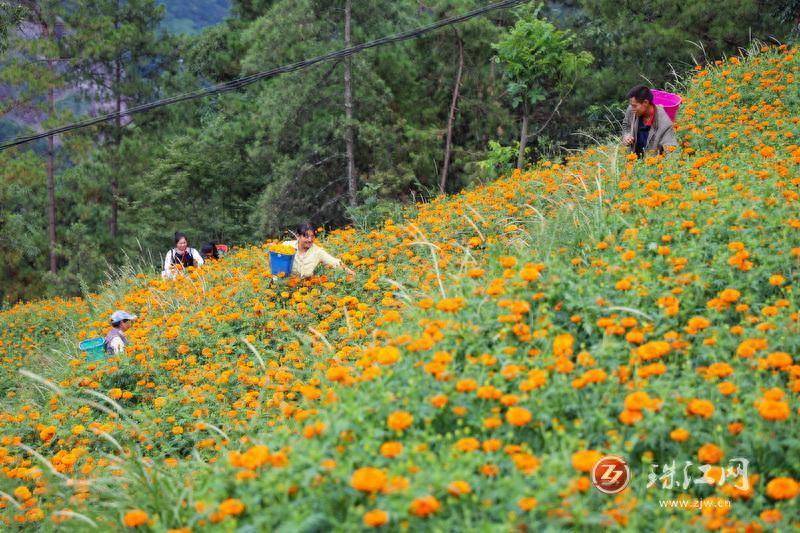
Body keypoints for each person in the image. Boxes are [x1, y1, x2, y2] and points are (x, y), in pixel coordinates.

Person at [282, 222, 355, 278]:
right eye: (306, 236)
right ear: (298, 236)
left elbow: (334, 262)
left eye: (312, 236)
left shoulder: (318, 252)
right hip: (285, 286)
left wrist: (351, 272)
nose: (310, 240)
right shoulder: (286, 246)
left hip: (307, 288)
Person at [621, 85, 677, 157]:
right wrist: (626, 135)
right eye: (631, 105)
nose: (632, 109)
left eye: (634, 106)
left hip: (651, 164)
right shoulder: (632, 109)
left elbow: (671, 150)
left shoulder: (664, 123)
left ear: (645, 102)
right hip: (633, 160)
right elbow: (626, 125)